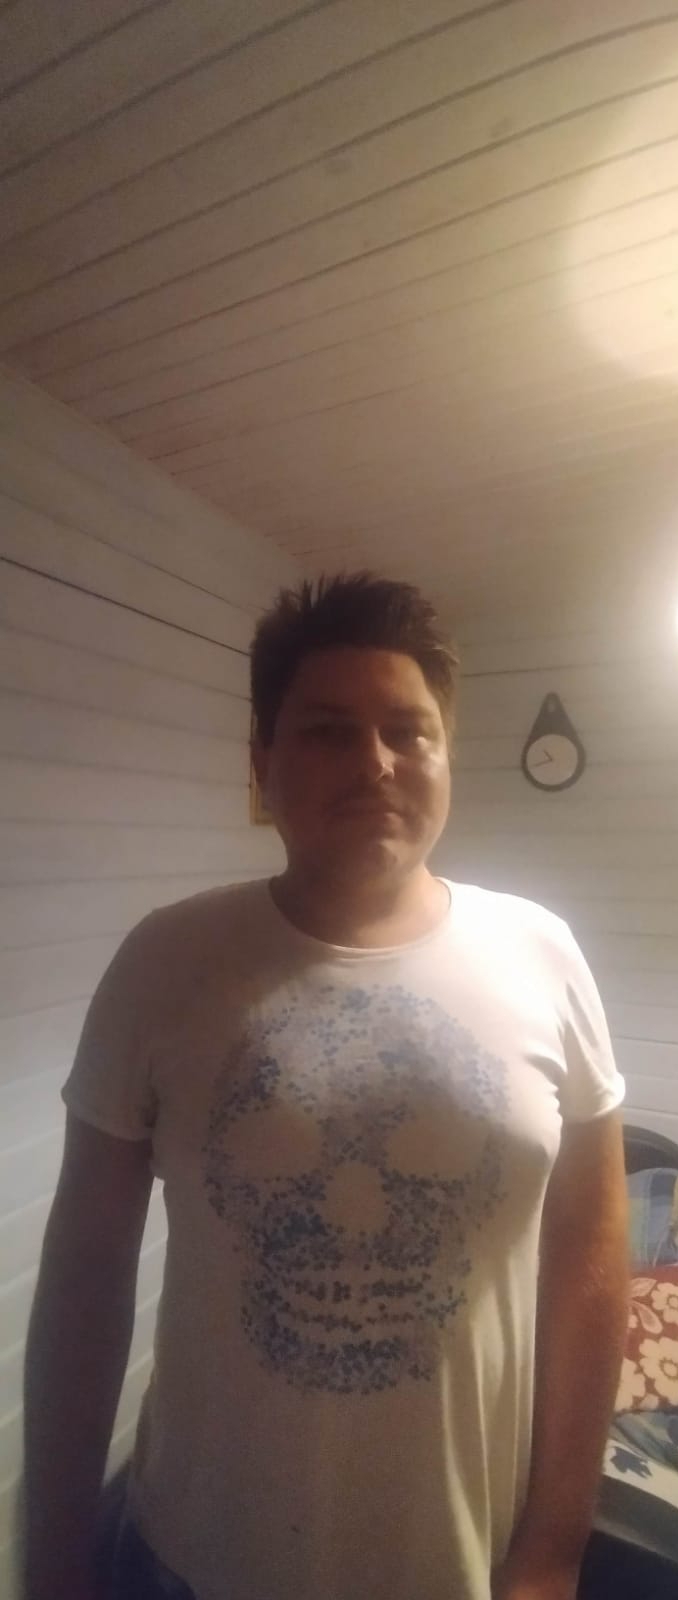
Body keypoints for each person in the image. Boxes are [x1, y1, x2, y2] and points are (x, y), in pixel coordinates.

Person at [21, 572, 630, 1600]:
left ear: (445, 754)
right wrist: (50, 1558)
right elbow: (85, 1276)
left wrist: (557, 1545)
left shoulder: (544, 954)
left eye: (409, 731)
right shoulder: (167, 962)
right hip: (193, 1559)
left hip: (459, 1559)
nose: (376, 762)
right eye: (328, 731)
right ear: (262, 763)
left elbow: (590, 1260)